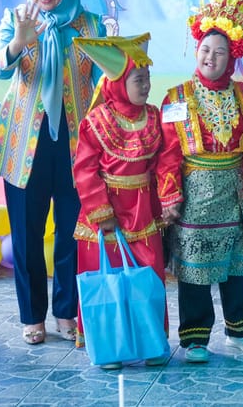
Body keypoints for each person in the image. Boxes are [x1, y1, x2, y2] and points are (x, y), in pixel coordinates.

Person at [0, 0, 106, 345]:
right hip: (24, 144)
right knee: (25, 233)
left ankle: (66, 312)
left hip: (76, 145)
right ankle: (32, 315)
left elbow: (108, 78)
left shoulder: (90, 24)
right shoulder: (18, 17)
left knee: (72, 233)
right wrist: (19, 42)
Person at [159, 0, 243, 363]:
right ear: (197, 51)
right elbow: (168, 152)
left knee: (237, 265)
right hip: (195, 197)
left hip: (235, 194)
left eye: (220, 52)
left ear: (232, 57)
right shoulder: (177, 97)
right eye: (206, 49)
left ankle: (240, 330)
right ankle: (194, 337)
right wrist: (170, 194)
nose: (211, 57)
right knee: (193, 269)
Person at [71, 33, 182, 368]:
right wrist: (101, 212)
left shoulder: (154, 116)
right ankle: (108, 345)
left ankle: (151, 341)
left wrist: (167, 196)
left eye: (148, 78)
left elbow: (165, 159)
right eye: (138, 79)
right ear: (118, 83)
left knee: (147, 276)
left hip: (143, 211)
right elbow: (85, 170)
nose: (146, 85)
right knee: (108, 278)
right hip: (106, 214)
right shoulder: (96, 121)